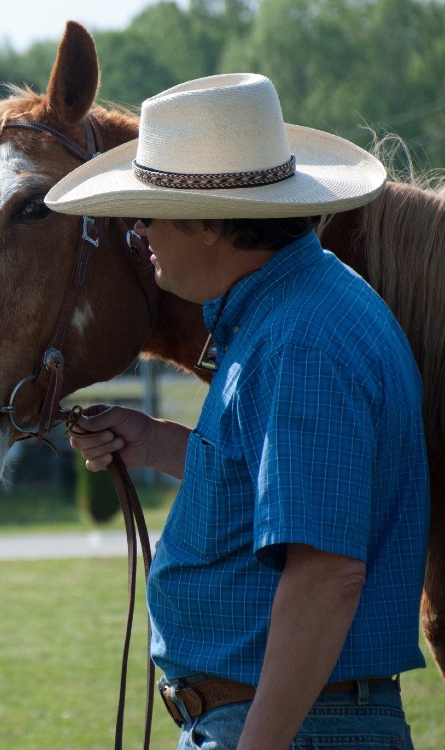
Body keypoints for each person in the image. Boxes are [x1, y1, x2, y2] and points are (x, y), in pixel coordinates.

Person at [46, 74, 429, 749]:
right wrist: (154, 441)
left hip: (296, 730)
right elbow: (272, 485)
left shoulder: (299, 340)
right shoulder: (297, 315)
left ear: (213, 220)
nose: (139, 229)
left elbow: (326, 575)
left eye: (152, 208)